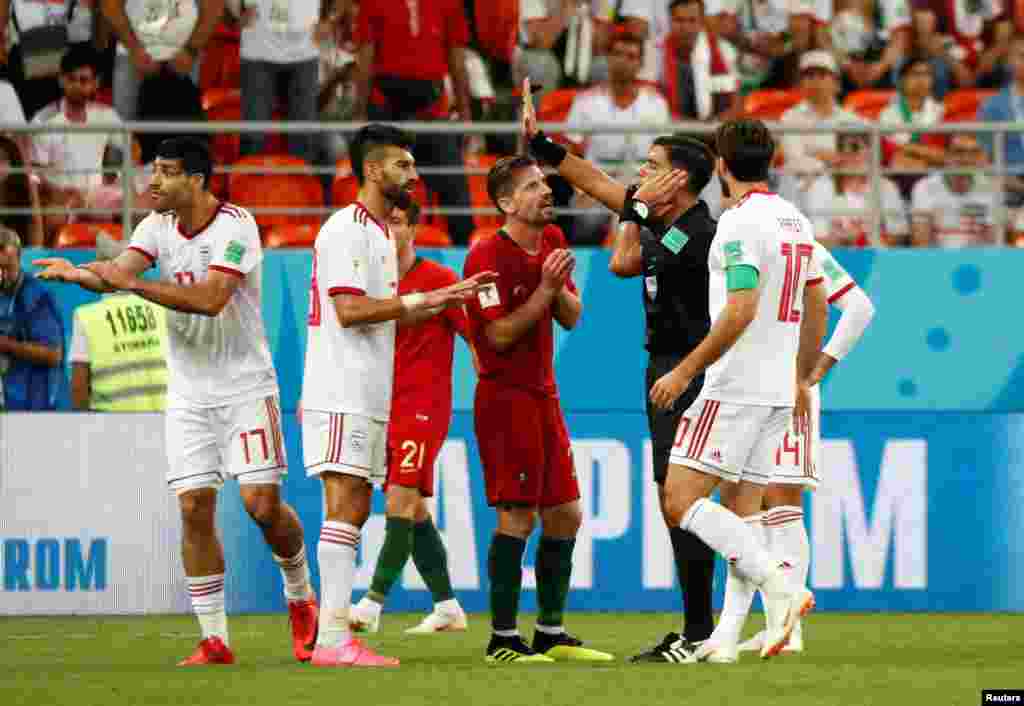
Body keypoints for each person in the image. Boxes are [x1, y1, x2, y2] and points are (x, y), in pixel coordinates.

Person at [33, 137, 319, 666]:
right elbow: (120, 269)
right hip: (188, 391)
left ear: (198, 179)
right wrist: (81, 275)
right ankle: (214, 639)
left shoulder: (237, 226)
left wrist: (127, 284)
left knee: (260, 506)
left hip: (245, 387)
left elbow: (211, 300)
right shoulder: (156, 226)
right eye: (154, 171)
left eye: (165, 172)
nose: (153, 182)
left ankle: (300, 594)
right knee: (193, 507)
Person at [521, 76, 719, 661]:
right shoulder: (667, 219)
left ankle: (702, 632)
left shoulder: (696, 233)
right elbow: (600, 184)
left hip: (690, 372)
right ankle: (704, 629)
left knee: (684, 500)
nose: (639, 170)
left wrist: (630, 209)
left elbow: (622, 261)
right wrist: (544, 148)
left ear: (677, 179)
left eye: (651, 164)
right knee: (678, 499)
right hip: (665, 366)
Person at [301, 124, 494, 668]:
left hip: (370, 392)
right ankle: (336, 637)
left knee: (357, 508)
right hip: (342, 387)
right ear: (372, 170)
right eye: (402, 166)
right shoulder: (347, 230)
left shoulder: (380, 235)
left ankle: (342, 632)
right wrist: (423, 300)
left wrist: (438, 300)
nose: (412, 175)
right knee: (346, 506)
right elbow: (350, 310)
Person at [648, 118, 827, 663]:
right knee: (742, 509)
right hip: (776, 390)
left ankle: (781, 588)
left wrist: (685, 371)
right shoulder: (795, 220)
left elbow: (741, 308)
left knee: (679, 500)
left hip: (735, 386)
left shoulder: (738, 223)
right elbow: (817, 302)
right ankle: (726, 638)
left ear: (721, 165)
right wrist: (801, 375)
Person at [463, 154, 612, 664]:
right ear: (506, 202)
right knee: (518, 516)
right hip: (504, 397)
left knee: (565, 514)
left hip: (545, 395)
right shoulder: (485, 255)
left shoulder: (552, 242)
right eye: (532, 187)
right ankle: (502, 639)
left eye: (546, 184)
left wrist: (558, 288)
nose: (547, 192)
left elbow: (572, 316)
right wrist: (546, 288)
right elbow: (498, 335)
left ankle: (550, 631)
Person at [736, 241, 876, 657]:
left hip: (787, 386)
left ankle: (787, 628)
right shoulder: (776, 243)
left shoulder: (799, 248)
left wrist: (817, 368)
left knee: (780, 498)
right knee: (758, 503)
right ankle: (779, 625)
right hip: (752, 385)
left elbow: (860, 308)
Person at [348, 200, 470, 635]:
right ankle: (448, 606)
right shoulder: (369, 283)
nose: (386, 231)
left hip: (423, 407)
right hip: (382, 407)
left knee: (399, 500)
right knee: (414, 509)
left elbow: (478, 337)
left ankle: (372, 604)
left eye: (395, 223)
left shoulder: (439, 280)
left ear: (414, 229)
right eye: (381, 223)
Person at [563, 30, 671, 244]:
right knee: (587, 221)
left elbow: (667, 156)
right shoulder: (585, 101)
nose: (622, 61)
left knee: (657, 222)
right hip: (596, 185)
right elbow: (570, 153)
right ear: (608, 58)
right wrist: (581, 189)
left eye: (630, 56)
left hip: (643, 184)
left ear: (640, 64)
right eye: (617, 54)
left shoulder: (656, 103)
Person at [68, 233, 169, 411]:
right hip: (164, 418)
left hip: (110, 425)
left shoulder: (87, 317)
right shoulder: (161, 307)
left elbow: (79, 385)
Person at [0, 225, 62, 410]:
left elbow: (53, 354)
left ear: (19, 260)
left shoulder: (36, 296)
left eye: (6, 267)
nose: (1, 275)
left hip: (31, 403)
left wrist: (5, 345)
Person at [910, 134, 999, 247]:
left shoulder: (990, 188)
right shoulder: (924, 187)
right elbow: (920, 243)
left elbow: (994, 244)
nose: (967, 159)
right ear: (946, 155)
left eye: (974, 153)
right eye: (959, 152)